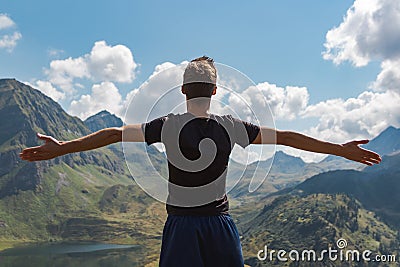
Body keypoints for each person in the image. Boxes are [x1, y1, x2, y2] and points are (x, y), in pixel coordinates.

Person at [19, 56, 382, 267]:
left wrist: (62, 148)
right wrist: (340, 149)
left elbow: (113, 133)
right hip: (219, 225)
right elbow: (287, 137)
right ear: (214, 91)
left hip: (180, 228)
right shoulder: (231, 127)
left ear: (182, 91)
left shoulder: (166, 126)